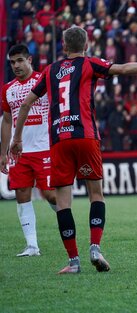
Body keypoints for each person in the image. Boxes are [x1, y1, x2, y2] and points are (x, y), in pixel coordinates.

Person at [10, 26, 137, 274]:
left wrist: (17, 138)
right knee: (96, 194)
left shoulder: (50, 70)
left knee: (64, 202)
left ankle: (73, 261)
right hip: (85, 136)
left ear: (64, 47)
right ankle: (95, 247)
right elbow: (123, 69)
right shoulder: (90, 64)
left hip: (58, 140)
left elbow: (25, 104)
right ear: (86, 46)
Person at [0, 44, 57, 257]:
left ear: (29, 60)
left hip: (45, 149)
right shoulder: (8, 89)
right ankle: (32, 246)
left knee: (51, 196)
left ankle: (66, 226)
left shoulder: (44, 81)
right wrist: (3, 153)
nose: (16, 65)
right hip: (19, 153)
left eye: (20, 61)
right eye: (12, 62)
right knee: (22, 194)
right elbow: (7, 121)